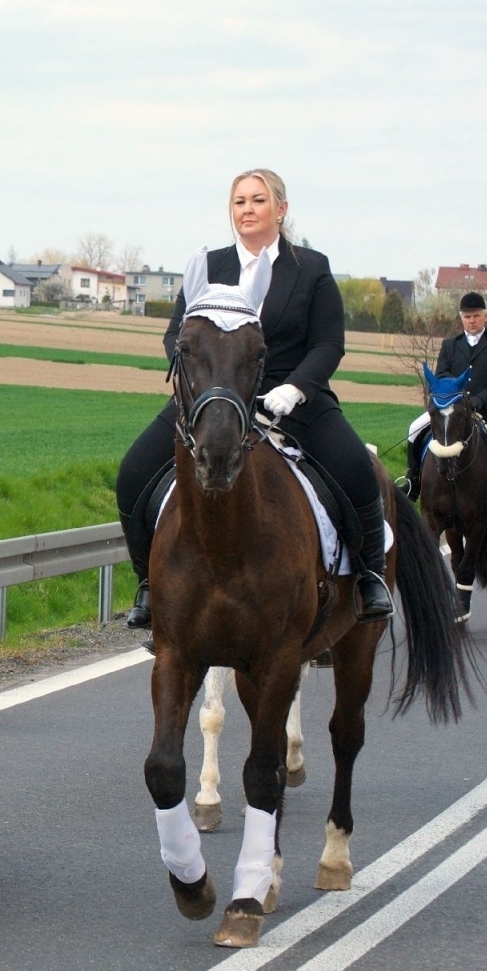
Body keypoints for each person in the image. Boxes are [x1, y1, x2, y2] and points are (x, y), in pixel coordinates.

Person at [116, 168, 393, 628]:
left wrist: (296, 387)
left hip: (290, 397)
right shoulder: (208, 267)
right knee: (131, 474)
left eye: (258, 200)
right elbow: (176, 334)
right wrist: (193, 379)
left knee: (356, 470)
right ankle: (148, 583)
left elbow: (329, 343)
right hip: (213, 398)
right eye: (240, 201)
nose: (248, 209)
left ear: (280, 210)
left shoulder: (312, 268)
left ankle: (369, 576)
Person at [403, 291, 487, 511]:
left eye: (476, 315)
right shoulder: (450, 345)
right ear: (461, 318)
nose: (472, 320)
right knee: (414, 428)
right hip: (450, 408)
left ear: (485, 316)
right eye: (467, 317)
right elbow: (441, 375)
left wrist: (479, 400)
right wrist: (455, 398)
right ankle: (413, 481)